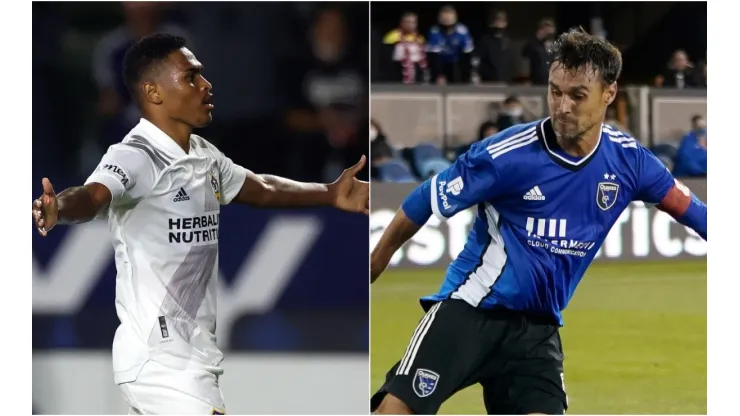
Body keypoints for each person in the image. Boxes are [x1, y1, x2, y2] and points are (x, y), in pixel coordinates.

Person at [370, 28, 706, 415]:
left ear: (609, 94)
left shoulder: (631, 162)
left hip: (537, 332)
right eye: (555, 91)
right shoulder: (506, 154)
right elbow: (425, 198)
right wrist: (378, 258)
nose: (562, 106)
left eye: (578, 95)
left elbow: (696, 213)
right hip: (471, 311)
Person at [31, 33, 369, 415]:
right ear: (154, 92)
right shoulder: (136, 155)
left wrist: (329, 193)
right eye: (191, 77)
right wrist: (59, 206)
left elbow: (260, 188)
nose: (206, 86)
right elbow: (94, 195)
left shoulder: (203, 155)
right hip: (160, 359)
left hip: (191, 355)